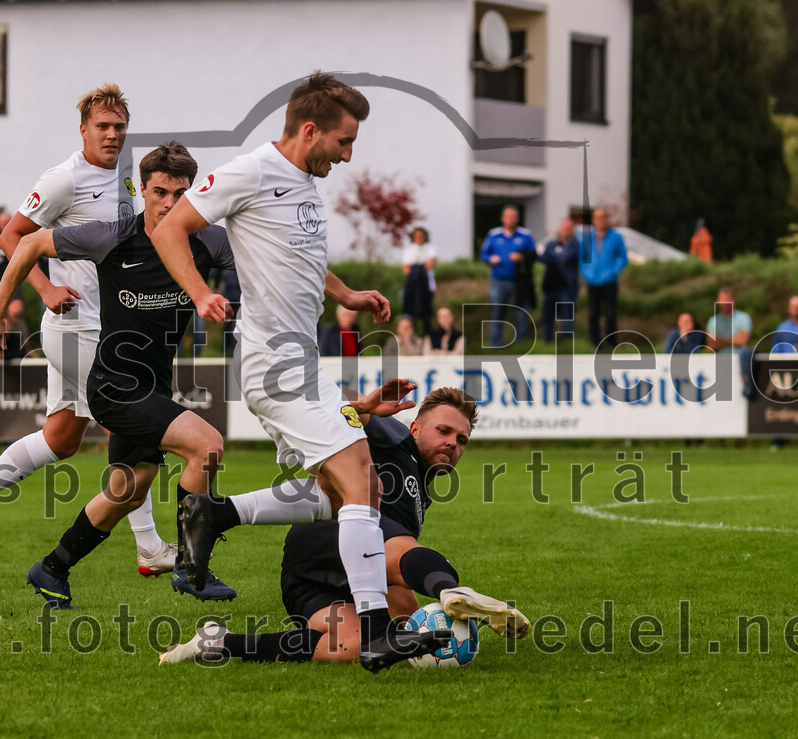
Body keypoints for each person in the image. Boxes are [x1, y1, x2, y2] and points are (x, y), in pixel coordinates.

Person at [151, 71, 447, 672]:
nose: (347, 155)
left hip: (303, 364)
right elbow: (169, 228)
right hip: (273, 364)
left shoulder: (305, 183)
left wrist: (349, 293)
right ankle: (374, 631)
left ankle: (214, 513)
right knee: (362, 472)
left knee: (340, 492)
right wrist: (201, 294)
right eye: (343, 142)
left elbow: (303, 257)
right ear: (309, 130)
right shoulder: (252, 170)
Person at [0, 143, 236, 606]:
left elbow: (266, 265)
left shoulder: (208, 241)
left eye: (180, 193)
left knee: (128, 492)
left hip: (154, 385)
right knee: (208, 446)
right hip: (114, 385)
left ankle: (51, 569)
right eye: (160, 192)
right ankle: (191, 566)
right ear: (143, 189)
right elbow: (29, 241)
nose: (170, 203)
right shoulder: (114, 236)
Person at [0, 85, 177, 580]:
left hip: (96, 326)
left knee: (63, 437)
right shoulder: (64, 179)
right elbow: (11, 236)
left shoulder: (127, 180)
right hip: (77, 326)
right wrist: (43, 288)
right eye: (102, 127)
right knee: (132, 425)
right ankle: (150, 546)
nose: (112, 134)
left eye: (119, 126)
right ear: (83, 129)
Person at [159, 385, 530, 666]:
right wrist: (363, 404)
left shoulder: (422, 492)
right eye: (444, 431)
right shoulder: (395, 438)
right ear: (416, 427)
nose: (452, 443)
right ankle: (451, 589)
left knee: (357, 643)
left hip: (330, 575)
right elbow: (342, 407)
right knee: (403, 553)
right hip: (324, 540)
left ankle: (217, 642)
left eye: (461, 440)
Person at [480, 206, 535, 348]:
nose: (511, 219)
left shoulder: (525, 235)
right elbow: (484, 254)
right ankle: (495, 346)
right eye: (508, 216)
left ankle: (521, 347)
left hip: (519, 282)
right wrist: (490, 258)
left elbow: (534, 254)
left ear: (517, 218)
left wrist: (522, 256)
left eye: (514, 216)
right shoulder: (494, 234)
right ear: (502, 218)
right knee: (497, 314)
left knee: (521, 315)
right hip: (499, 281)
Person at [579, 208, 628, 349]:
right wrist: (587, 273)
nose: (599, 221)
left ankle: (611, 344)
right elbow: (583, 259)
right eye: (596, 218)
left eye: (602, 218)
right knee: (593, 314)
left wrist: (614, 271)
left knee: (610, 314)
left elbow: (623, 258)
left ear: (607, 219)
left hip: (610, 282)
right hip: (592, 282)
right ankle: (596, 344)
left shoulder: (616, 237)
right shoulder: (587, 238)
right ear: (594, 220)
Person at [539, 218, 580, 343]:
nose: (564, 231)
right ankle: (548, 342)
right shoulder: (552, 244)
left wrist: (553, 255)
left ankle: (567, 344)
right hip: (551, 286)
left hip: (567, 287)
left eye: (567, 229)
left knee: (567, 317)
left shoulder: (575, 245)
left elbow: (565, 257)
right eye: (563, 228)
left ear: (572, 231)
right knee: (547, 316)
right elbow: (543, 258)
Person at [402, 226, 436, 334]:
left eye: (421, 236)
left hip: (425, 285)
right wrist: (420, 267)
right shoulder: (409, 250)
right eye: (417, 236)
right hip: (413, 284)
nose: (419, 238)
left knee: (426, 312)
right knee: (411, 311)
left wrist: (417, 266)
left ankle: (427, 336)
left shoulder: (430, 248)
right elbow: (406, 268)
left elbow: (430, 264)